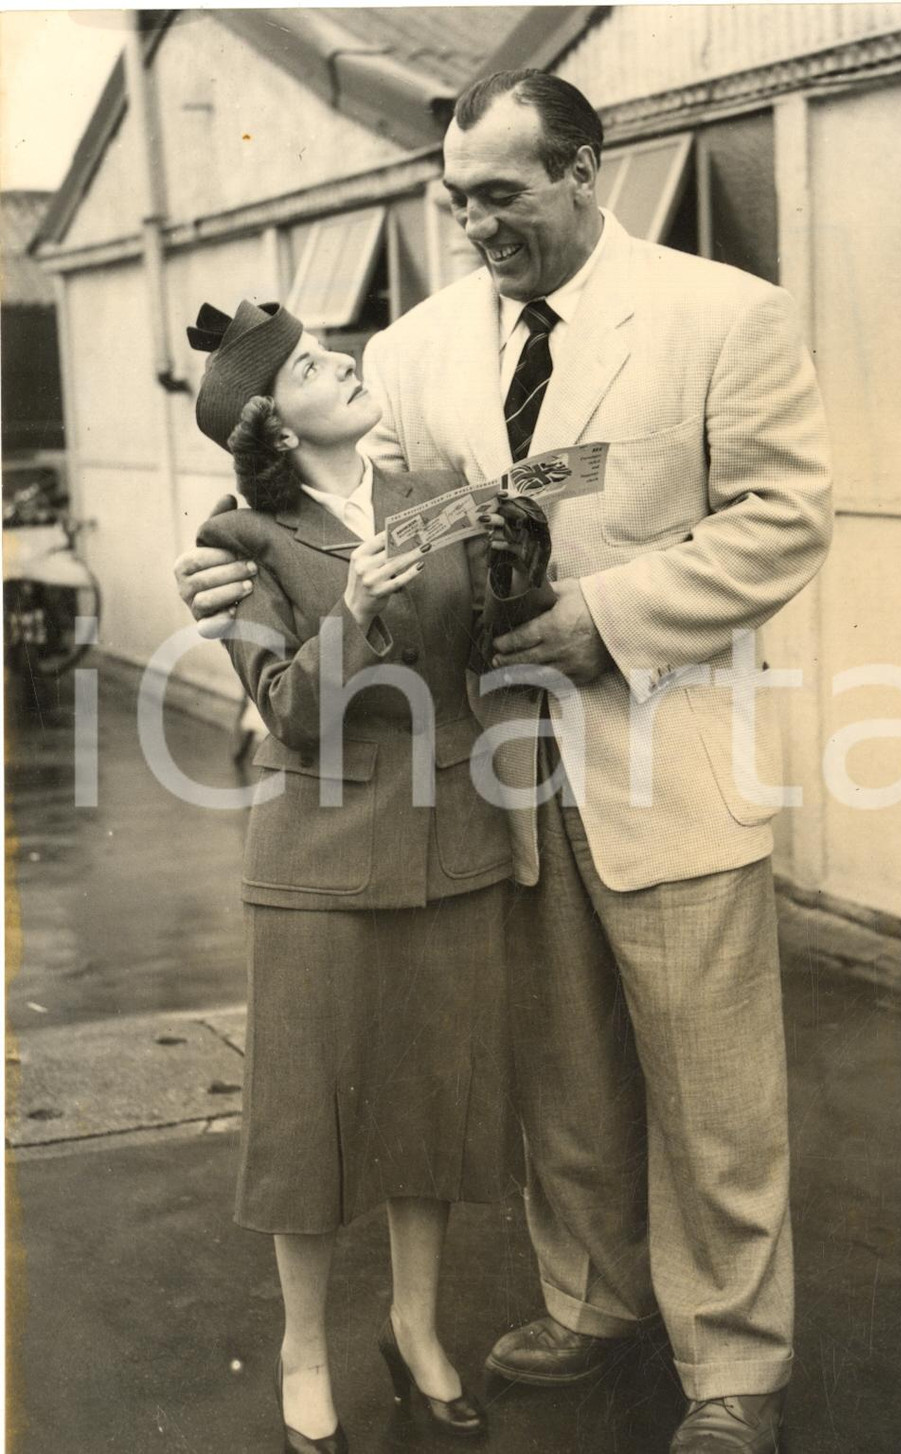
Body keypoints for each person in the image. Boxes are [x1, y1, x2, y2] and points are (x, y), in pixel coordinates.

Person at [175, 71, 833, 1454]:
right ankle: (593, 1301)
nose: (475, 222)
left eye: (503, 193)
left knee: (714, 1093)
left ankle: (733, 1367)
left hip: (669, 752)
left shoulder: (723, 315)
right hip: (499, 780)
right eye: (455, 197)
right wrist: (242, 563)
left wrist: (603, 615)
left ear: (586, 169)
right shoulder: (415, 350)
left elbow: (784, 521)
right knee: (563, 1078)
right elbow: (362, 519)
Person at [182, 296, 550, 1452]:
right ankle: (301, 1346)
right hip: (322, 867)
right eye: (304, 366)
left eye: (327, 349)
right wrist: (352, 609)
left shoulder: (425, 502)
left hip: (453, 847)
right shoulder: (239, 542)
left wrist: (516, 550)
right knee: (309, 1124)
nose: (339, 362)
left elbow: (489, 637)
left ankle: (416, 1326)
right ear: (274, 428)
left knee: (433, 1107)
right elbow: (290, 714)